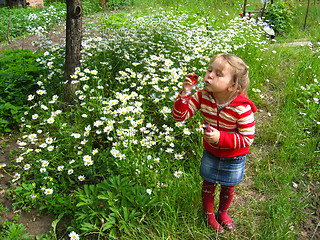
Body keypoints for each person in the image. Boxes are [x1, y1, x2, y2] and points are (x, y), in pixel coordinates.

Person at [172, 53, 257, 233]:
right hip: (211, 151)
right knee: (208, 182)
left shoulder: (242, 108)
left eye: (218, 74)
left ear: (232, 85)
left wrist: (221, 138)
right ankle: (209, 215)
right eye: (210, 70)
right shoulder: (203, 96)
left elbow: (247, 138)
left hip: (234, 156)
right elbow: (180, 116)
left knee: (228, 185)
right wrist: (185, 93)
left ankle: (223, 212)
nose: (209, 75)